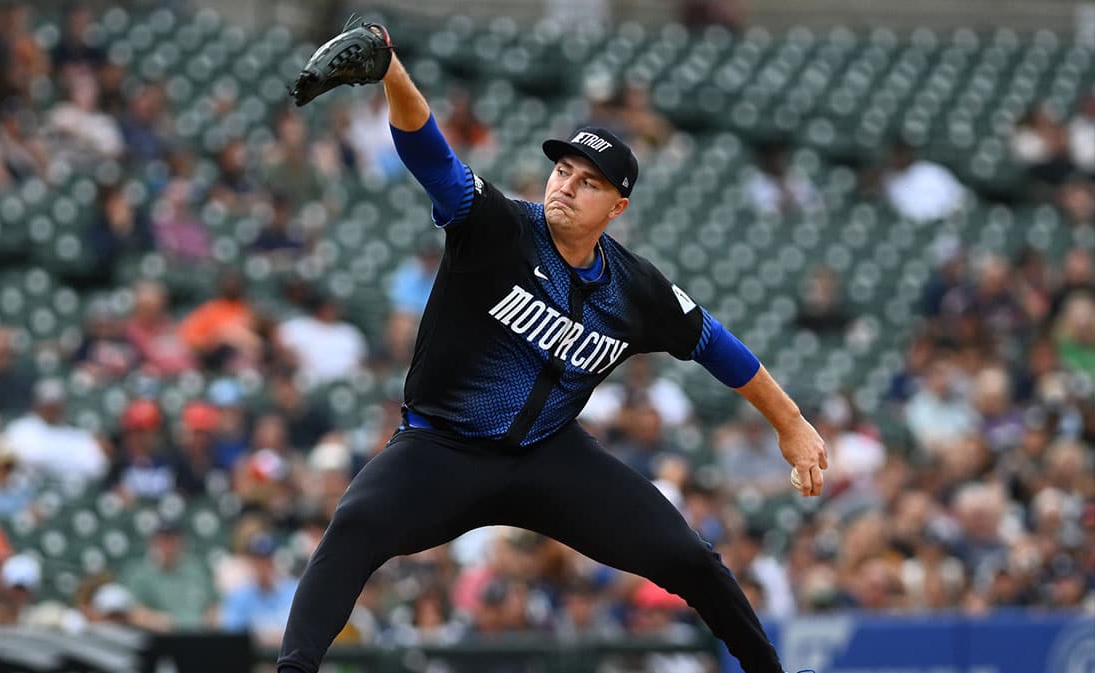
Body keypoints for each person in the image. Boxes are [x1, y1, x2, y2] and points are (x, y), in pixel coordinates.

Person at [278, 26, 827, 673]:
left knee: (686, 555)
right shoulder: (497, 228)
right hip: (442, 446)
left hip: (549, 455)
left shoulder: (634, 287)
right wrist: (393, 73)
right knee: (356, 525)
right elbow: (433, 157)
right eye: (562, 169)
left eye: (588, 181)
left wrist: (790, 421)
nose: (566, 184)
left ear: (617, 206)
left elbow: (713, 342)